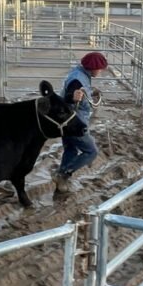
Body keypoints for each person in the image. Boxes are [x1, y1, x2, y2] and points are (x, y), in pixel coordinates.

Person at [54, 51, 108, 195]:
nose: (101, 71)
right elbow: (70, 94)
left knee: (71, 149)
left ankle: (61, 182)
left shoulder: (79, 73)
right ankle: (64, 174)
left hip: (65, 121)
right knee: (91, 152)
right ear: (93, 67)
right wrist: (73, 97)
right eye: (100, 68)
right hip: (75, 124)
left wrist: (90, 93)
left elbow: (77, 91)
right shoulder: (77, 80)